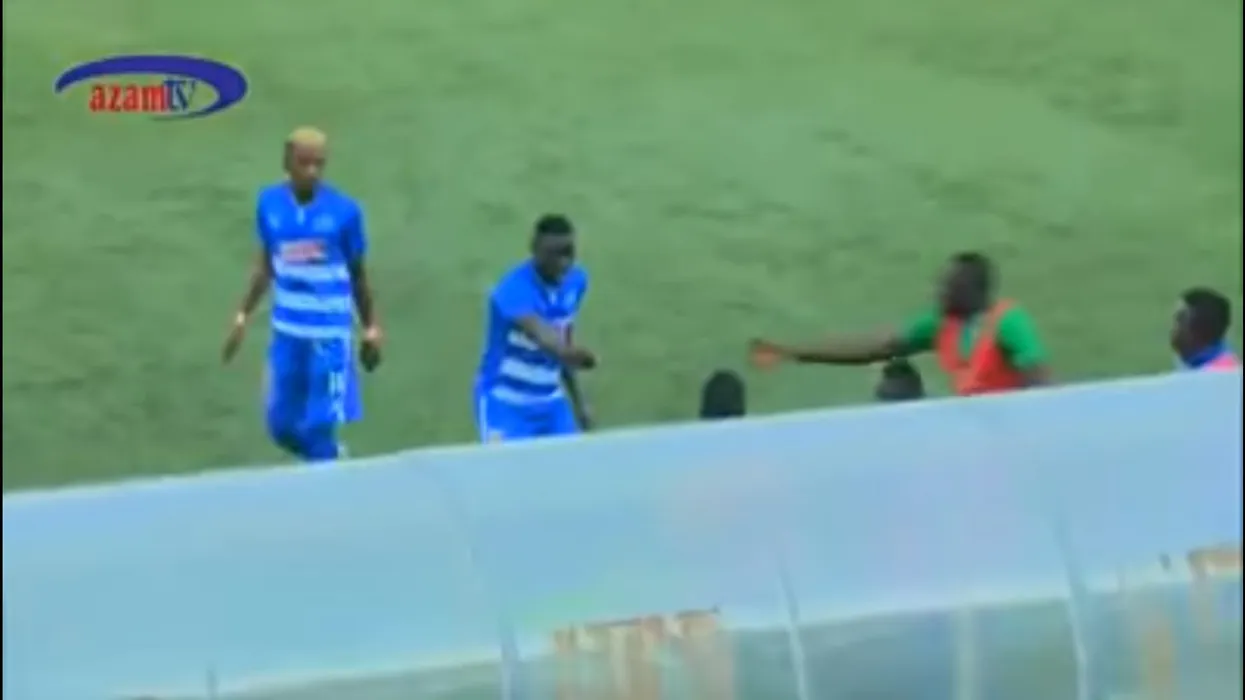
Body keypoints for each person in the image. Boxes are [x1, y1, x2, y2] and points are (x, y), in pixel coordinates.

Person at [221, 127, 383, 462]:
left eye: (319, 164)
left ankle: (330, 475)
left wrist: (370, 327)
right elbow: (267, 264)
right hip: (287, 334)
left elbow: (358, 274)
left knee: (318, 427)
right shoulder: (269, 204)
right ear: (287, 162)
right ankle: (333, 462)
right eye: (304, 163)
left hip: (329, 338)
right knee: (280, 424)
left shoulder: (345, 212)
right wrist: (242, 315)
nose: (312, 172)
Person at [749, 251, 1051, 396]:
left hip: (1006, 431)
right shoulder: (941, 324)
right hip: (966, 428)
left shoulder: (1009, 322)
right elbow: (873, 348)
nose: (938, 292)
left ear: (976, 291)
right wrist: (794, 352)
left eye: (948, 286)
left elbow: (1042, 386)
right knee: (894, 374)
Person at [474, 214, 596, 442]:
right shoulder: (512, 288)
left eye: (568, 252)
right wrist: (568, 353)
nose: (563, 262)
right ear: (534, 250)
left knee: (571, 462)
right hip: (505, 403)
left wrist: (580, 402)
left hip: (550, 401)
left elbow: (565, 335)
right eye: (553, 254)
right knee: (507, 465)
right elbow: (541, 335)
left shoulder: (576, 282)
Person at [1172, 287, 1237, 370]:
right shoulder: (1190, 356)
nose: (1174, 327)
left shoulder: (1221, 372)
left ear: (1198, 331)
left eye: (1179, 319)